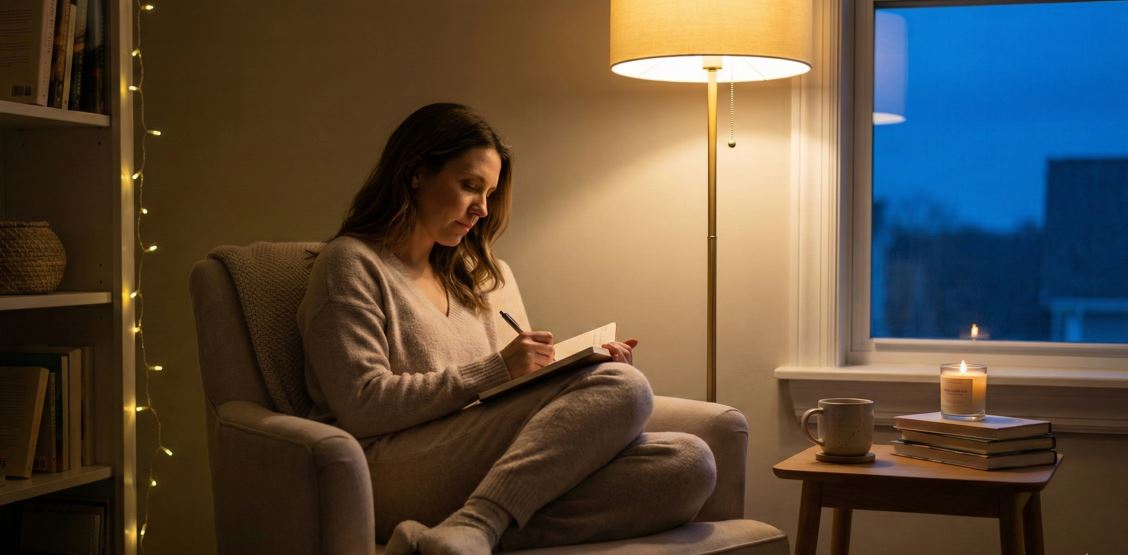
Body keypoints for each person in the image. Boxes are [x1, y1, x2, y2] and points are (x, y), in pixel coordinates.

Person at [297, 103, 716, 555]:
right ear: (416, 172)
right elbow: (363, 404)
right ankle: (478, 522)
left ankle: (452, 534)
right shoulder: (350, 263)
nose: (482, 208)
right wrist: (499, 370)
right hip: (390, 464)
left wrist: (571, 370)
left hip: (485, 458)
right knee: (626, 388)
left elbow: (513, 395)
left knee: (689, 463)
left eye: (489, 193)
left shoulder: (478, 277)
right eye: (469, 186)